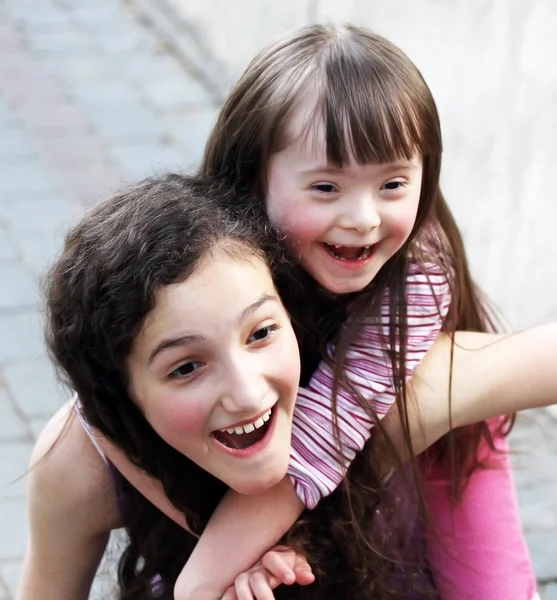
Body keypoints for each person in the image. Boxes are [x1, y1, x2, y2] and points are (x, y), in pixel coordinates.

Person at [91, 25, 545, 599]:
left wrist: (202, 581)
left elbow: (323, 434)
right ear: (253, 177)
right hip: (275, 479)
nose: (363, 218)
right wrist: (213, 548)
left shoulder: (420, 274)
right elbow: (101, 407)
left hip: (440, 454)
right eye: (326, 187)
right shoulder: (217, 258)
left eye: (393, 183)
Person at [19, 174, 557, 600]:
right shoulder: (80, 465)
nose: (249, 394)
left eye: (261, 332)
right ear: (122, 395)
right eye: (186, 368)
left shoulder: (394, 392)